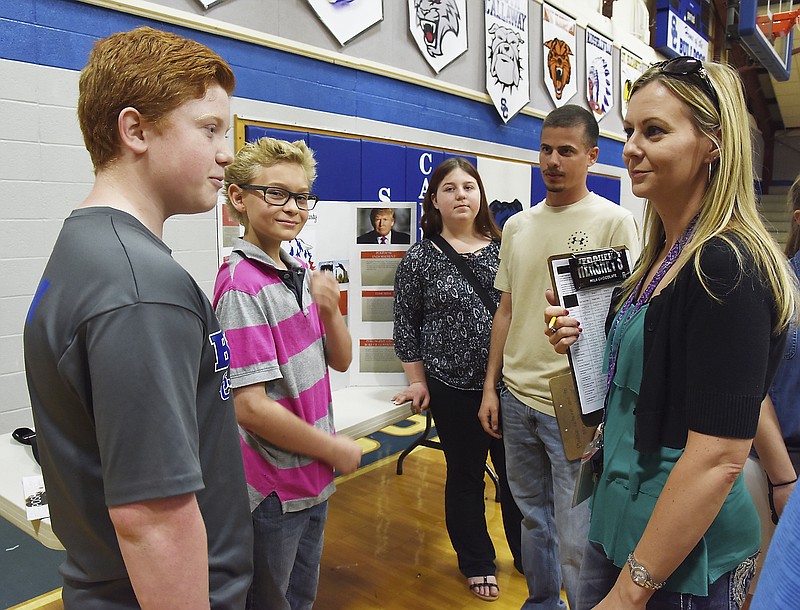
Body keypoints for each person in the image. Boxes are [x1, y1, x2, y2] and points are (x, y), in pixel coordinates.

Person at [544, 57, 799, 610]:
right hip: (619, 519)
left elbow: (719, 454)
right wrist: (587, 339)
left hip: (675, 558)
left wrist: (632, 590)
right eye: (629, 131)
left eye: (654, 131)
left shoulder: (726, 266)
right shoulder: (661, 257)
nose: (631, 146)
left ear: (711, 143)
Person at [22, 27, 253, 609]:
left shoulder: (87, 249)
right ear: (135, 130)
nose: (228, 152)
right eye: (210, 129)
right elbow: (152, 521)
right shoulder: (140, 288)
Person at [478, 104, 640, 610]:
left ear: (591, 156)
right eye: (546, 149)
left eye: (566, 151)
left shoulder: (615, 222)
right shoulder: (518, 226)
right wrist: (490, 388)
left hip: (573, 402)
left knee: (576, 528)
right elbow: (506, 308)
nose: (552, 160)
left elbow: (625, 316)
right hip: (516, 396)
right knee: (531, 517)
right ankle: (542, 601)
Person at [213, 137, 362, 610]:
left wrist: (331, 311)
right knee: (271, 599)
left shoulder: (298, 271)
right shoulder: (242, 287)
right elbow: (249, 406)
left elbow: (340, 360)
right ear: (238, 197)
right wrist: (332, 447)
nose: (293, 207)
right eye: (276, 193)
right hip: (274, 487)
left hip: (312, 477)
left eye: (301, 197)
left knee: (302, 594)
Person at [392, 157, 523, 603]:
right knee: (466, 476)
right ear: (434, 200)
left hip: (511, 386)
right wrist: (417, 380)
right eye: (449, 188)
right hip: (450, 386)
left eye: (469, 186)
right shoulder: (420, 258)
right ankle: (477, 562)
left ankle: (526, 555)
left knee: (517, 477)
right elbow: (405, 324)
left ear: (481, 195)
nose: (461, 195)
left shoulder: (506, 247)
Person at [743, 174, 800, 608]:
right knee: (762, 586)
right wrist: (784, 479)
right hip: (772, 462)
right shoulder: (777, 285)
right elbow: (752, 388)